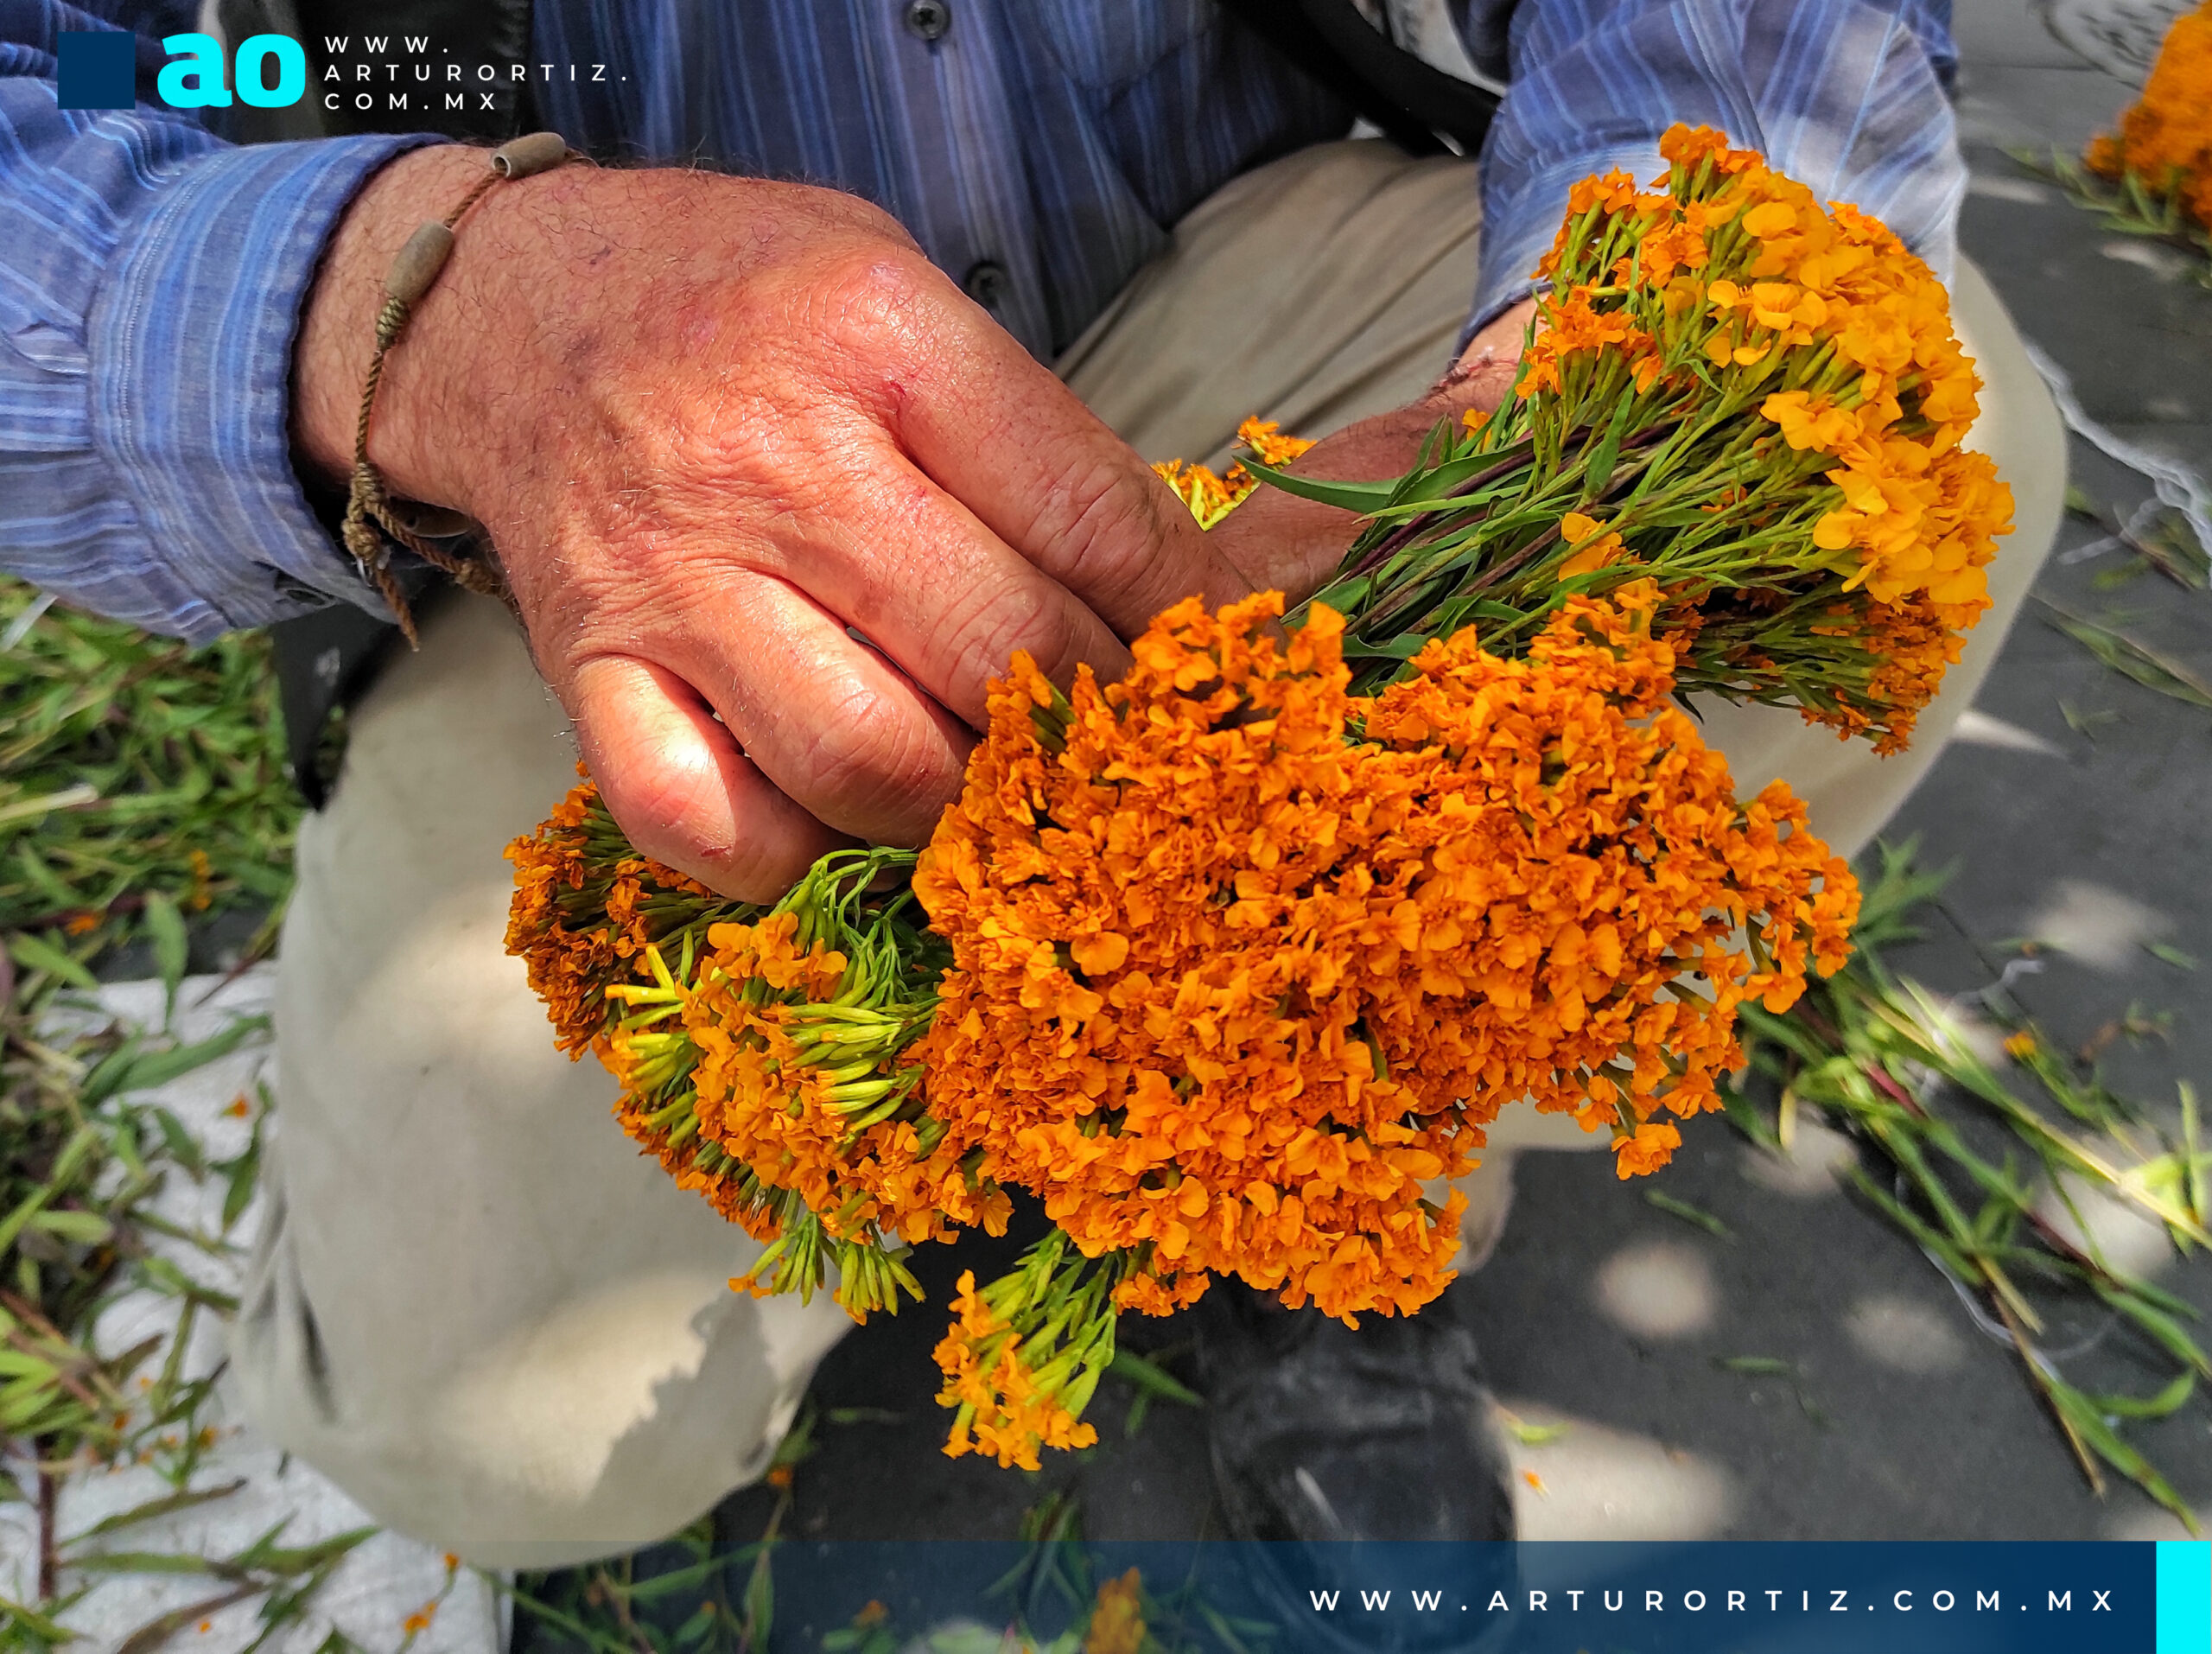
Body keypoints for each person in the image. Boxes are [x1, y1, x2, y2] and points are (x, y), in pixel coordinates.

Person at [0, 0, 2061, 1565]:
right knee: (482, 1436)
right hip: (578, 489)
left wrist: (1580, 336)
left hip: (1245, 293)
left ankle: (1315, 1171)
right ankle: (1018, 1104)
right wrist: (418, 310)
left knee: (1882, 420)